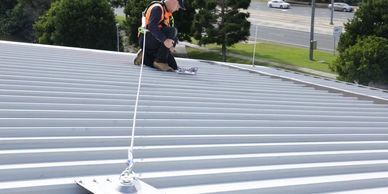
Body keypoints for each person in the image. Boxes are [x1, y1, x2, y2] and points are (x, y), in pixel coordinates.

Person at [133, 0, 185, 72]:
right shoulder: (157, 8)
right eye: (178, 6)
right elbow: (152, 27)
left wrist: (173, 44)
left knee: (173, 66)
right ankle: (160, 61)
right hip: (145, 39)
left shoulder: (169, 16)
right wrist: (165, 40)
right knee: (172, 30)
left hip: (155, 41)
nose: (177, 9)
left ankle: (145, 57)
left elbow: (172, 36)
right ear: (174, 1)